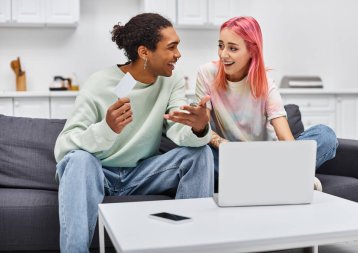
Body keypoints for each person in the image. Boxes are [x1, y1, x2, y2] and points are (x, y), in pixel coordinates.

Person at [54, 13, 214, 253]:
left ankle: (189, 247)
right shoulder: (98, 83)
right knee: (79, 159)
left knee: (201, 154)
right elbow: (64, 146)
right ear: (144, 52)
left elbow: (178, 129)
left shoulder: (171, 82)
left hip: (142, 174)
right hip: (100, 172)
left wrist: (198, 126)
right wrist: (106, 129)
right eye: (171, 47)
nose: (178, 55)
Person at [195, 16, 338, 191]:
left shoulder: (266, 85)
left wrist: (293, 158)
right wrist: (223, 144)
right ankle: (288, 178)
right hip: (228, 158)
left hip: (267, 156)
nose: (223, 54)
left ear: (252, 51)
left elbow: (286, 139)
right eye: (221, 45)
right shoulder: (206, 73)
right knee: (200, 155)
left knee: (326, 134)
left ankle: (266, 176)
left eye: (232, 48)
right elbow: (203, 129)